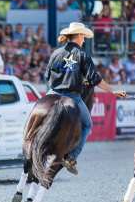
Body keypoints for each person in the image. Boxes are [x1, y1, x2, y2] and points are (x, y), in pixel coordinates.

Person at [44, 22, 127, 175]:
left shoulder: (56, 53)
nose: (85, 40)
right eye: (84, 37)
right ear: (80, 35)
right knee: (87, 125)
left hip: (52, 93)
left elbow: (47, 75)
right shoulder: (82, 54)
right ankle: (71, 157)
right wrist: (113, 91)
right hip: (71, 95)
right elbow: (95, 79)